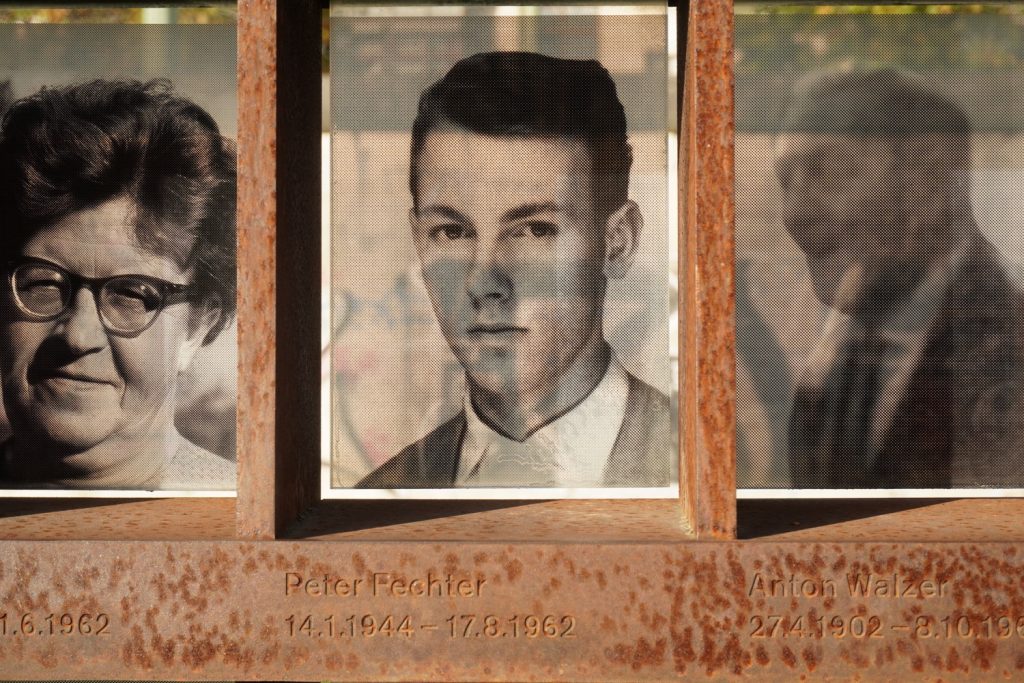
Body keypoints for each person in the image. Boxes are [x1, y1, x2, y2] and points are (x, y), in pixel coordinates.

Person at [358, 52, 673, 488]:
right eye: (451, 232)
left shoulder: (704, 470)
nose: (483, 283)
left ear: (618, 243)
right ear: (418, 241)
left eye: (535, 230)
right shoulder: (378, 497)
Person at [777, 68, 1024, 488]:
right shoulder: (831, 356)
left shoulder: (1010, 348)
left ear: (928, 182)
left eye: (829, 172)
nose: (796, 213)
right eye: (787, 181)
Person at [0, 79, 236, 490]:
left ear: (197, 329)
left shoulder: (243, 523)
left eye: (130, 294)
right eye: (43, 284)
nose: (77, 335)